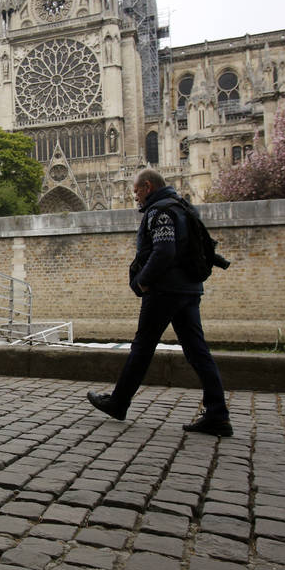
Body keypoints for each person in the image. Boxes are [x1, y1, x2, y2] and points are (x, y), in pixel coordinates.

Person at [87, 168, 232, 437]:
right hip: (189, 289)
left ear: (148, 187)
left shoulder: (160, 211)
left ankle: (119, 402)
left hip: (165, 290)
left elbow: (164, 250)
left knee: (142, 348)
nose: (135, 197)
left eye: (136, 191)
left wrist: (143, 280)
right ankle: (218, 413)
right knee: (198, 351)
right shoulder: (184, 207)